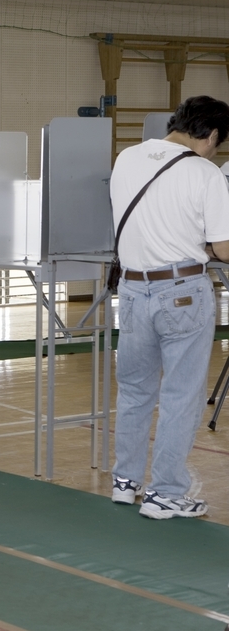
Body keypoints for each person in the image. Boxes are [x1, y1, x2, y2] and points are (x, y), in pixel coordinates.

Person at [108, 96, 229, 522]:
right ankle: (166, 493)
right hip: (182, 292)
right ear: (210, 135)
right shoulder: (204, 172)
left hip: (133, 290)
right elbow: (223, 248)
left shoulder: (126, 158)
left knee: (135, 390)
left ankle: (125, 482)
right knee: (181, 395)